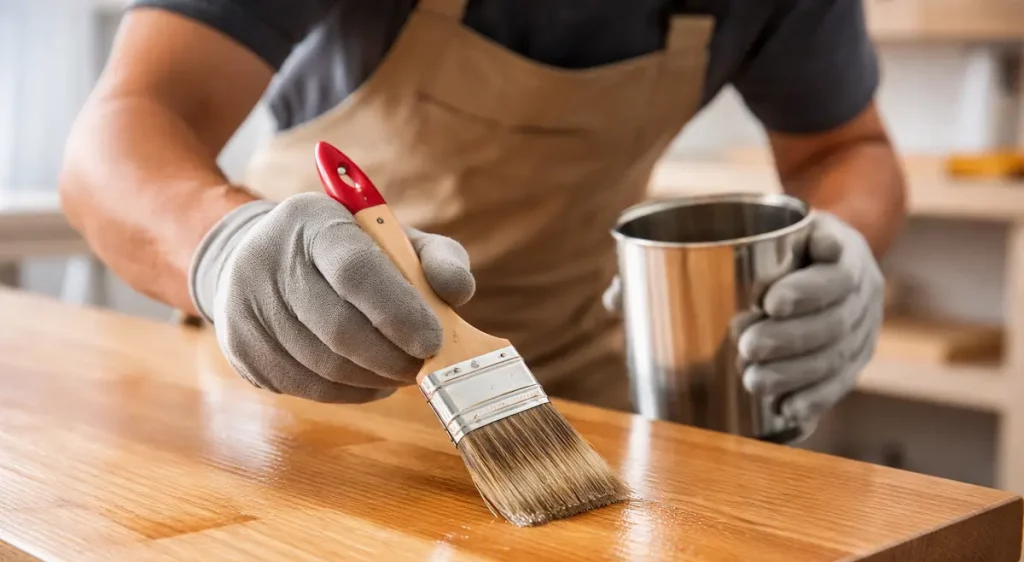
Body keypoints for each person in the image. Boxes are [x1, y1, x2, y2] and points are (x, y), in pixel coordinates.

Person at [60, 0, 905, 431]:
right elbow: (121, 129)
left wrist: (847, 245)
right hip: (291, 396)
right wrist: (224, 246)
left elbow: (847, 149)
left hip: (563, 397)